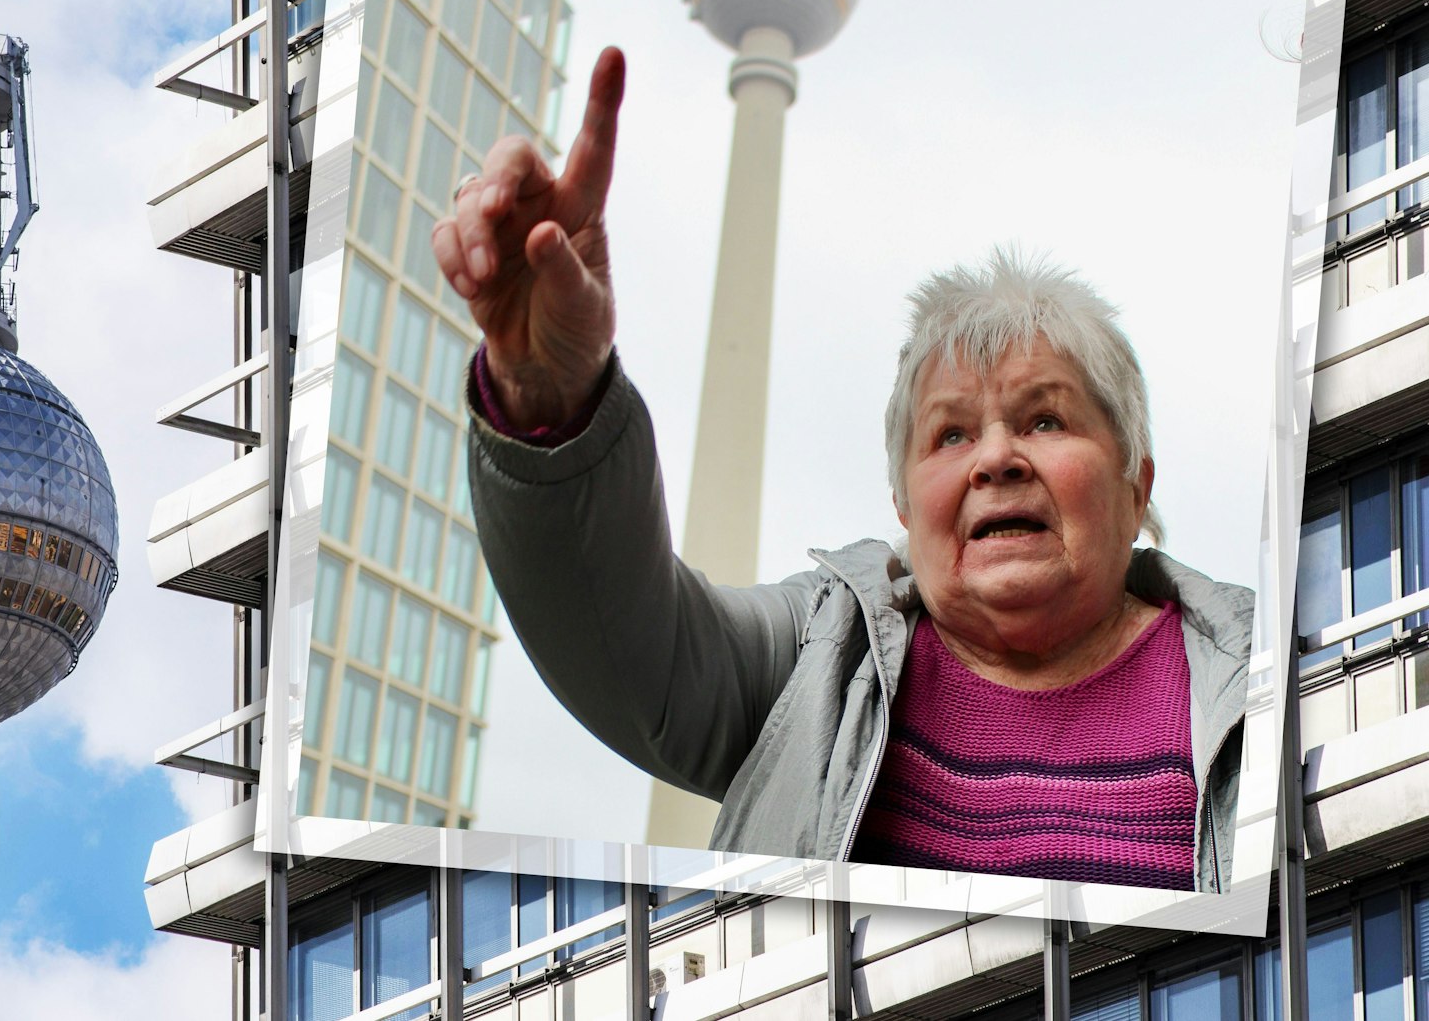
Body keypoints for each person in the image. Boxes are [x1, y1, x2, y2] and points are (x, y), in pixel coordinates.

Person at [432, 47, 1252, 893]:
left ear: (1137, 482)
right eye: (950, 434)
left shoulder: (1256, 679)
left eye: (1045, 419)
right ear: (903, 504)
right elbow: (629, 646)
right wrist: (550, 393)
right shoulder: (819, 659)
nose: (996, 459)